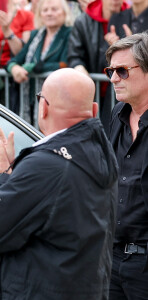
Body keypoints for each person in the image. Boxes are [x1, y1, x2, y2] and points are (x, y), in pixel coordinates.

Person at [0, 68, 118, 299]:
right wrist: (15, 172)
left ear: (44, 106)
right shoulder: (97, 154)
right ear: (94, 110)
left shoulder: (48, 165)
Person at [105, 32, 148, 299]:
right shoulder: (116, 115)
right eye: (110, 70)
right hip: (113, 258)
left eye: (122, 71)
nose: (112, 79)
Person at [67, 0, 129, 134]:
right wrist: (79, 68)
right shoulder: (83, 21)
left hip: (121, 95)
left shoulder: (132, 18)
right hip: (91, 93)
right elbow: (74, 55)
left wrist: (123, 48)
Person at [6, 0, 72, 123]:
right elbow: (15, 60)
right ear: (40, 14)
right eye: (45, 10)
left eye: (54, 9)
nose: (49, 13)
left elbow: (64, 64)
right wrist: (14, 68)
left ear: (64, 12)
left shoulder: (70, 33)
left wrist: (34, 68)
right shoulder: (36, 35)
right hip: (33, 98)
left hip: (58, 99)